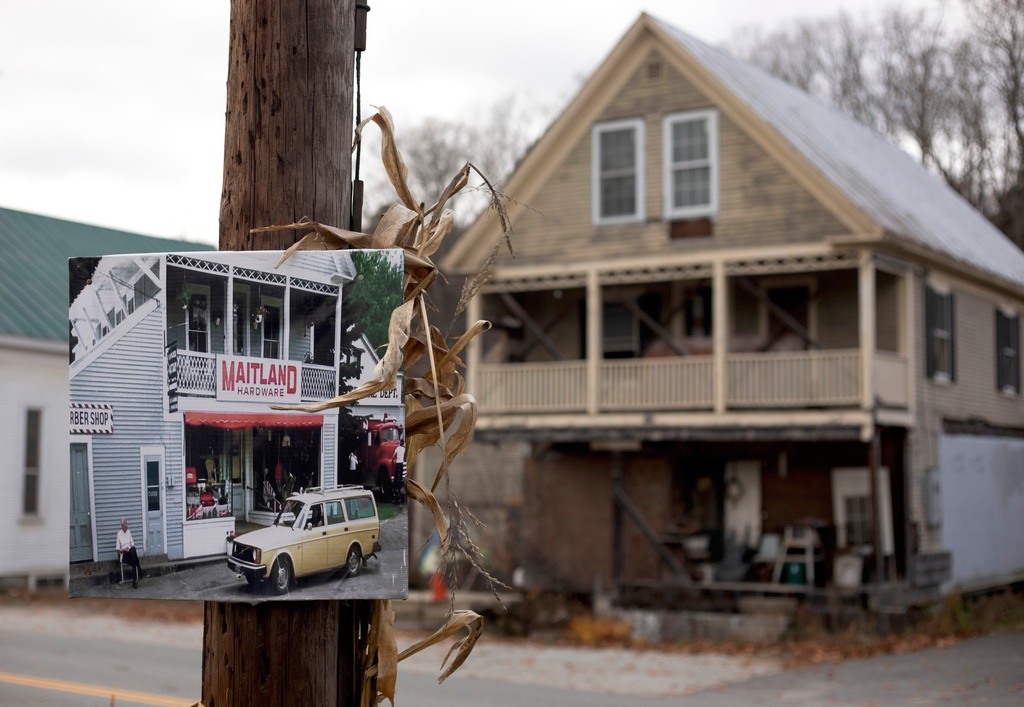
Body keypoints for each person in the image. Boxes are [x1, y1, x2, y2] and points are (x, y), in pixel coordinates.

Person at [116, 517, 143, 588]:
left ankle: (134, 581)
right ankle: (139, 568)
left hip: (131, 553)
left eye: (127, 523)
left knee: (133, 550)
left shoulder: (129, 532)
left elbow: (132, 544)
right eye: (125, 524)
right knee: (134, 559)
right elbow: (118, 549)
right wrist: (124, 549)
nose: (127, 525)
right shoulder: (119, 534)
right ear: (122, 525)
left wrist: (130, 548)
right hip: (124, 554)